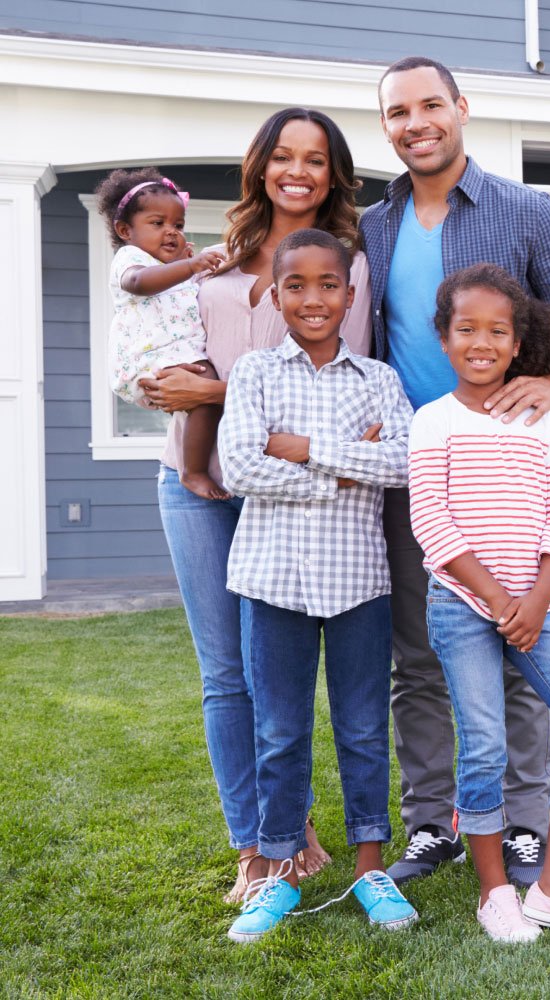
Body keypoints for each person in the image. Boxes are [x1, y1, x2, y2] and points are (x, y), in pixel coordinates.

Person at [360, 56, 550, 888]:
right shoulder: (374, 225)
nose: (416, 122)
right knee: (421, 656)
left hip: (516, 466)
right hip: (421, 469)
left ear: (462, 109)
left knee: (521, 651)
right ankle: (433, 825)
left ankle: (526, 826)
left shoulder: (523, 211)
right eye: (398, 112)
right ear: (386, 126)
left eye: (431, 104)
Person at [140, 107, 373, 902]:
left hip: (287, 496)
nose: (296, 171)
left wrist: (212, 388)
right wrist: (167, 384)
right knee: (224, 675)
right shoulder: (214, 256)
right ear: (261, 165)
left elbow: (340, 390)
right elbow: (170, 356)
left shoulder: (349, 267)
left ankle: (289, 822)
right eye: (282, 156)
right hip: (195, 481)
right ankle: (258, 842)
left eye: (314, 158)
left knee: (283, 674)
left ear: (334, 173)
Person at [408, 263, 550, 942]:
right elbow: (433, 524)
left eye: (497, 330)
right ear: (443, 339)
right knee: (483, 747)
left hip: (539, 607)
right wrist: (500, 599)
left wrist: (537, 601)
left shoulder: (545, 423)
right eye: (466, 328)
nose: (481, 341)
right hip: (461, 606)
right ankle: (494, 894)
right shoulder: (432, 422)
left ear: (517, 343)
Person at [219, 228, 416, 943]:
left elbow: (400, 462)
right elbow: (240, 466)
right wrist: (343, 466)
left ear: (350, 293)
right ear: (276, 295)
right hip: (271, 580)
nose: (312, 298)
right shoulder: (253, 374)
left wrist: (301, 450)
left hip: (358, 581)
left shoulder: (380, 382)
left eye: (328, 285)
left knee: (364, 728)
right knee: (278, 730)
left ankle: (370, 867)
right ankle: (276, 871)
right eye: (295, 285)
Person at [95, 167, 228, 500]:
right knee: (206, 392)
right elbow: (139, 283)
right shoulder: (130, 259)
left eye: (178, 225)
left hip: (174, 353)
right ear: (126, 230)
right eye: (158, 224)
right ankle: (193, 471)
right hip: (148, 357)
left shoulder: (173, 267)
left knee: (204, 392)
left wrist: (184, 266)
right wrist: (189, 265)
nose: (171, 232)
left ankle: (196, 465)